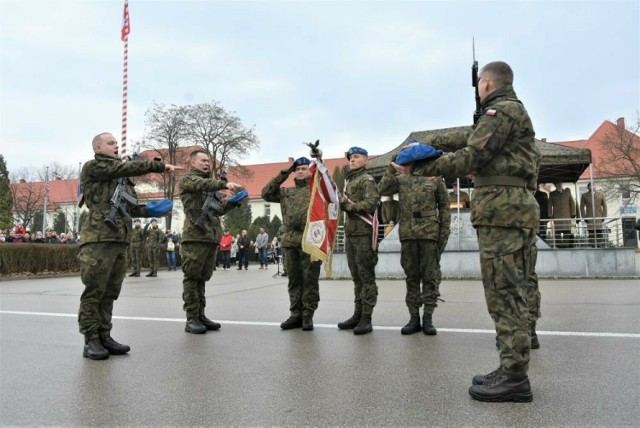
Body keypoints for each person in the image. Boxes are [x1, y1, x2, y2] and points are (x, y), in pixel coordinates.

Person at [393, 61, 540, 402]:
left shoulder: (501, 111)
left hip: (503, 213)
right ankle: (510, 367)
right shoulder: (507, 113)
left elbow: (471, 155)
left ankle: (516, 378)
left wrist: (421, 167)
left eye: (478, 85)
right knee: (506, 292)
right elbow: (468, 138)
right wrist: (427, 141)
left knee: (504, 294)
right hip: (507, 210)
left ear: (485, 84)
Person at [77, 132, 179, 360]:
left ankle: (105, 335)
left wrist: (150, 211)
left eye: (116, 143)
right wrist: (156, 166)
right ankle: (91, 340)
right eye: (111, 143)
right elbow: (121, 168)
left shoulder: (122, 178)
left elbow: (130, 209)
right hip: (98, 240)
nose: (116, 146)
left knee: (110, 292)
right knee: (94, 291)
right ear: (98, 148)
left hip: (119, 240)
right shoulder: (93, 167)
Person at [378, 156, 450, 335]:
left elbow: (445, 207)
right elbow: (382, 189)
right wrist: (393, 167)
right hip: (408, 235)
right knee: (411, 277)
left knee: (430, 277)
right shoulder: (401, 179)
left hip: (429, 234)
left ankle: (428, 318)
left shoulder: (434, 178)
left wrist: (444, 234)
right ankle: (413, 317)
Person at [178, 150, 241, 334]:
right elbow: (201, 183)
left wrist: (233, 202)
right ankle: (191, 318)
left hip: (210, 237)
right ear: (193, 163)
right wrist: (222, 184)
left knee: (202, 279)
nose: (207, 163)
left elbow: (218, 210)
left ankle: (200, 314)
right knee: (192, 277)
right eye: (203, 160)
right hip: (195, 236)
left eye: (208, 161)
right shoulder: (188, 180)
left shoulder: (210, 186)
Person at [262, 156, 322, 331]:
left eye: (304, 168)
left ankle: (308, 314)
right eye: (298, 169)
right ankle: (295, 313)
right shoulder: (286, 192)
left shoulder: (316, 191)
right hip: (290, 241)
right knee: (294, 280)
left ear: (310, 171)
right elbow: (266, 193)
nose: (301, 171)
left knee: (310, 280)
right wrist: (285, 172)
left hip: (311, 240)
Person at [337, 146, 380, 335]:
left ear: (366, 159)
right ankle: (357, 313)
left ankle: (366, 318)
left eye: (356, 157)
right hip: (351, 234)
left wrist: (347, 207)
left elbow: (370, 204)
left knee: (366, 277)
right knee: (356, 278)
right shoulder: (349, 181)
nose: (352, 160)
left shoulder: (367, 180)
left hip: (363, 234)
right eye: (350, 158)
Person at [548, 182, 576, 248]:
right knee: (557, 231)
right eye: (557, 184)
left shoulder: (567, 192)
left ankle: (566, 245)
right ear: (555, 185)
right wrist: (550, 215)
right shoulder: (552, 194)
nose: (559, 185)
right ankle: (558, 245)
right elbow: (549, 205)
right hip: (557, 216)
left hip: (567, 215)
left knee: (568, 230)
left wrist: (573, 213)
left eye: (560, 183)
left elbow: (572, 203)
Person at [580, 183, 608, 247]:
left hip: (598, 217)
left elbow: (605, 206)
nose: (592, 187)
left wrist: (604, 216)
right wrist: (584, 217)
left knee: (599, 232)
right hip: (589, 217)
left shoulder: (600, 195)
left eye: (593, 185)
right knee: (591, 232)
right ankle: (593, 245)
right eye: (590, 186)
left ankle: (600, 245)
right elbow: (581, 207)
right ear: (588, 187)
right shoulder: (584, 195)